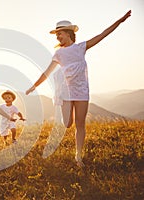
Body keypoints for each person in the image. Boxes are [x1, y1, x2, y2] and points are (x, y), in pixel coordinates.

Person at [26, 10, 131, 167]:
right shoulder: (59, 54)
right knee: (68, 123)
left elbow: (102, 35)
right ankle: (64, 114)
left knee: (80, 124)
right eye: (56, 35)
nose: (58, 37)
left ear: (68, 34)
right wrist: (33, 86)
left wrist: (120, 21)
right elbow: (46, 72)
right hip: (66, 91)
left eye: (59, 33)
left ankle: (78, 156)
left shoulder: (81, 47)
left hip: (81, 91)